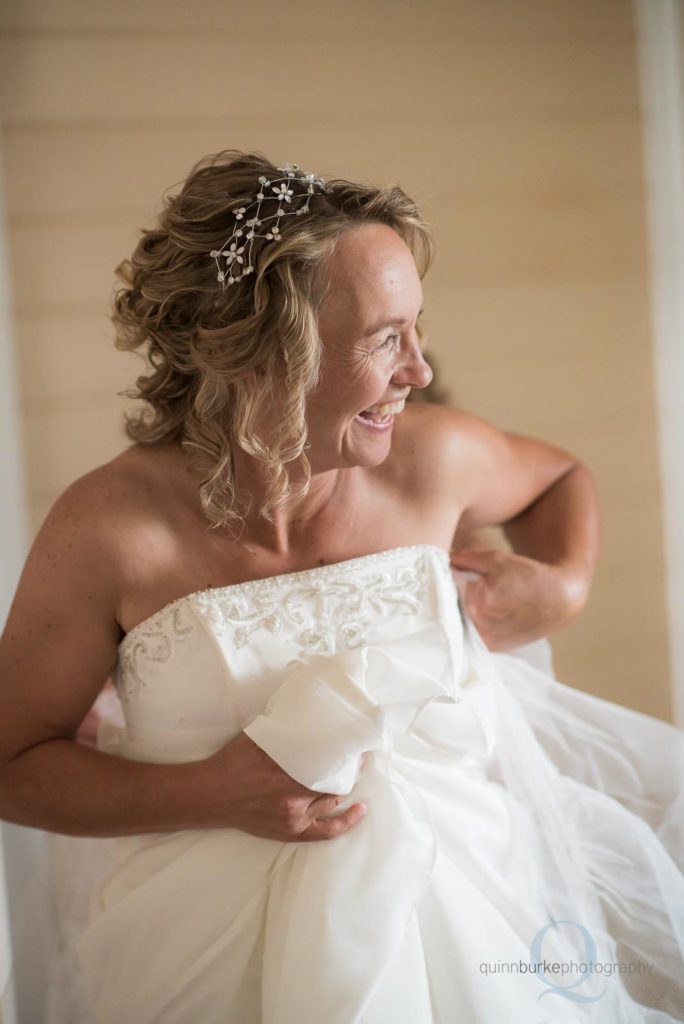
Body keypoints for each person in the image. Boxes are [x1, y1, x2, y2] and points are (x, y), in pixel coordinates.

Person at [0, 150, 681, 1023]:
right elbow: (12, 763)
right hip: (203, 958)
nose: (420, 372)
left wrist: (566, 583)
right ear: (257, 355)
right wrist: (214, 791)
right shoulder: (108, 531)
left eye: (418, 329)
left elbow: (559, 479)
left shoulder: (432, 458)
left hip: (475, 915)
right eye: (385, 339)